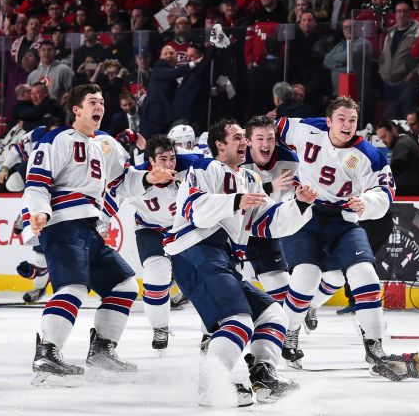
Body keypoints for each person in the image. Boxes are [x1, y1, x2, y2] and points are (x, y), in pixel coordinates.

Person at [23, 84, 171, 387]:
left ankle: (102, 350)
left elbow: (123, 180)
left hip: (89, 227)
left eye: (102, 101)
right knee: (74, 287)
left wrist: (147, 177)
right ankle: (47, 352)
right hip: (62, 224)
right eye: (93, 102)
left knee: (124, 284)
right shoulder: (56, 139)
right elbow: (36, 183)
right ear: (77, 109)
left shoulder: (106, 143)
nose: (99, 107)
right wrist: (38, 212)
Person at [163, 119, 317, 406]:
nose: (244, 142)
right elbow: (194, 210)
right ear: (219, 144)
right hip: (194, 252)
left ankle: (263, 376)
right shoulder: (203, 169)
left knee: (273, 315)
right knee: (238, 321)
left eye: (244, 137)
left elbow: (269, 222)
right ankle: (211, 384)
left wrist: (299, 204)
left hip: (223, 259)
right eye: (237, 138)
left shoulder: (250, 179)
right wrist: (235, 201)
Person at [275, 97, 419, 381]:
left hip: (343, 220)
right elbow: (266, 135)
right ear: (329, 121)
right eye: (341, 119)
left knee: (365, 275)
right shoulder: (306, 128)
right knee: (306, 276)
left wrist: (366, 201)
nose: (346, 125)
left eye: (352, 121)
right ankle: (288, 332)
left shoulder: (370, 155)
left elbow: (385, 192)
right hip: (303, 213)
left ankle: (375, 348)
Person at [103, 135, 201, 352]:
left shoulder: (193, 167)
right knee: (157, 273)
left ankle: (209, 331)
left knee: (202, 279)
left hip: (184, 229)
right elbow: (111, 197)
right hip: (150, 229)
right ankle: (160, 327)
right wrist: (101, 226)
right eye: (162, 159)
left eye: (172, 159)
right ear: (151, 161)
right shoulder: (136, 177)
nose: (169, 165)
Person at [241, 116, 299, 305]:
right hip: (232, 231)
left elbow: (288, 197)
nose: (266, 144)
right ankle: (210, 333)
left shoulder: (288, 159)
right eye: (259, 139)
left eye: (270, 138)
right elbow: (235, 197)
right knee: (225, 292)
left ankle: (293, 319)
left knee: (283, 294)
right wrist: (269, 186)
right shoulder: (236, 157)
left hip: (264, 228)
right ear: (248, 141)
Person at [375, 120, 419, 196]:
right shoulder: (406, 139)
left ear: (393, 130)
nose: (383, 141)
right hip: (413, 192)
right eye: (381, 138)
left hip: (410, 195)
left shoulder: (402, 143)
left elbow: (396, 167)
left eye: (384, 136)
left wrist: (377, 184)